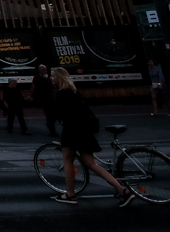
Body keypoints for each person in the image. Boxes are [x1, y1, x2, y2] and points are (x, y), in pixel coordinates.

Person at [51, 67, 134, 206]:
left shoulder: (61, 94)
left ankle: (70, 195)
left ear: (59, 78)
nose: (51, 79)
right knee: (91, 164)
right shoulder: (74, 91)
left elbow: (61, 114)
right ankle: (122, 190)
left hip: (71, 131)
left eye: (52, 76)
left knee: (67, 161)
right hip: (85, 131)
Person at [32, 64, 58, 137]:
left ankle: (51, 124)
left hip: (51, 97)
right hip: (43, 99)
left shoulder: (49, 77)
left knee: (56, 113)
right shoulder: (37, 78)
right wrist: (31, 96)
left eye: (46, 70)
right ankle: (52, 129)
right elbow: (33, 87)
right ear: (39, 70)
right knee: (49, 114)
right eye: (43, 70)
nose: (45, 71)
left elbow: (53, 84)